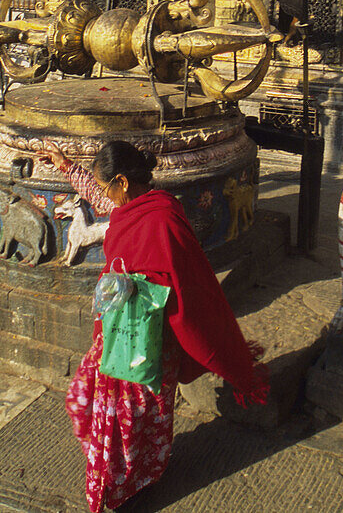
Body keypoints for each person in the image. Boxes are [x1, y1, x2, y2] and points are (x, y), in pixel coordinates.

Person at [41, 140, 268, 512]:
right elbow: (101, 201)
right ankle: (134, 476)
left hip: (146, 339)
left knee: (130, 419)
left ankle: (121, 487)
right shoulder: (139, 205)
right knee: (89, 400)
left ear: (123, 182)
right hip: (116, 332)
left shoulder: (161, 219)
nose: (105, 198)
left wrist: (132, 282)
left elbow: (185, 286)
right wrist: (65, 165)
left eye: (108, 186)